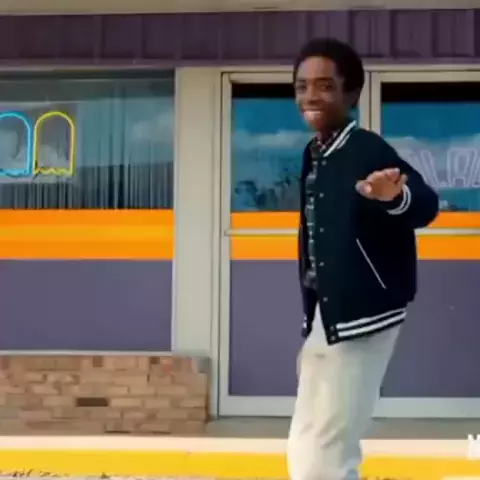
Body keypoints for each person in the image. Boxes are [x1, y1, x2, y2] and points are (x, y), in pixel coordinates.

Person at [287, 38, 439, 480]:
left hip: (363, 313)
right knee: (307, 438)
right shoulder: (316, 152)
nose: (311, 96)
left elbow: (424, 204)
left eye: (325, 85)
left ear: (351, 93)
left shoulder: (366, 149)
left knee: (327, 448)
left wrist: (393, 197)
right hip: (327, 313)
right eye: (301, 86)